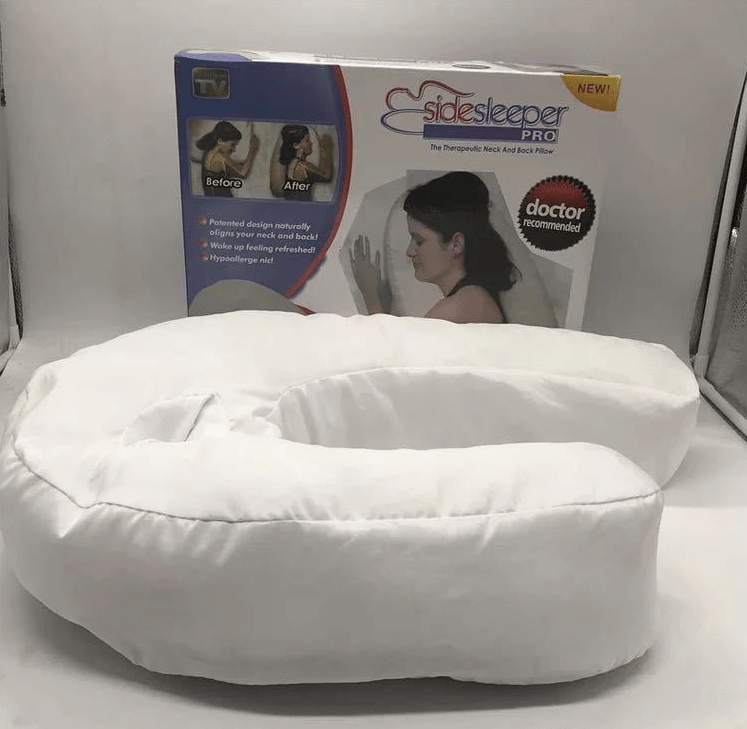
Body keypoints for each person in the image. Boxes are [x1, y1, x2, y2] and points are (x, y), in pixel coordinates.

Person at [350, 171, 520, 323]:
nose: (409, 252)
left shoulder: (455, 309)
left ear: (456, 244)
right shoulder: (474, 298)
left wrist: (370, 294)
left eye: (419, 241)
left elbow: (396, 349)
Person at [195, 121, 260, 197]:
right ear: (220, 141)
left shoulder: (210, 151)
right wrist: (253, 150)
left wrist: (245, 161)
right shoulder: (219, 158)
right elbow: (243, 173)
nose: (234, 149)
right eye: (232, 145)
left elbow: (233, 164)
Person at [270, 125, 334, 201]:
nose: (311, 143)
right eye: (307, 140)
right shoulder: (302, 166)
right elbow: (326, 175)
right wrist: (326, 148)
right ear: (296, 145)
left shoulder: (291, 164)